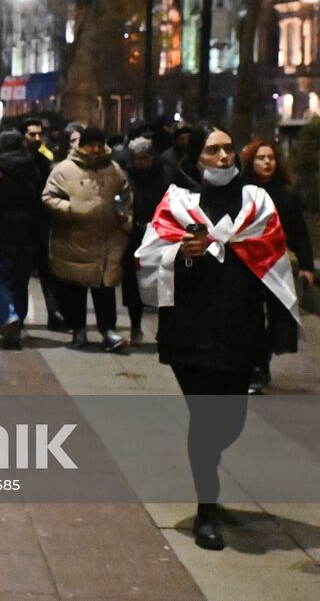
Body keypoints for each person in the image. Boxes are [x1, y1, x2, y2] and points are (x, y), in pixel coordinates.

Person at [135, 128, 301, 550]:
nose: (224, 156)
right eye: (214, 150)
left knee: (231, 421)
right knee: (206, 418)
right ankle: (207, 508)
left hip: (240, 330)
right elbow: (147, 258)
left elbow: (275, 262)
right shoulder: (178, 203)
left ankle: (208, 463)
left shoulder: (257, 204)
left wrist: (280, 329)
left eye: (229, 148)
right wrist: (179, 255)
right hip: (189, 332)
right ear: (198, 159)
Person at [42, 126, 132, 352]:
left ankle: (108, 330)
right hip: (76, 238)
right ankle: (78, 329)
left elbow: (125, 194)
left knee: (105, 287)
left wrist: (123, 215)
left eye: (100, 145)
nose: (96, 149)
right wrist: (70, 208)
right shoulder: (64, 170)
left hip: (107, 238)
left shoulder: (113, 169)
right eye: (92, 144)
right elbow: (49, 196)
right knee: (76, 288)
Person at [241, 138, 315, 393]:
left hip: (276, 263)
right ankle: (256, 367)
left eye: (271, 157)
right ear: (252, 162)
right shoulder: (242, 190)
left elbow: (299, 231)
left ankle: (263, 362)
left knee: (278, 318)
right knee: (250, 317)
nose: (267, 162)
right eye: (261, 158)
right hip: (247, 262)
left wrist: (306, 265)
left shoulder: (287, 194)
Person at [0, 131, 40, 348]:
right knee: (21, 280)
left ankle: (8, 316)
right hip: (28, 232)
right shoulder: (32, 168)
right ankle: (17, 321)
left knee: (0, 279)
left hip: (1, 232)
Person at [122, 136, 170, 345]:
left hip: (159, 234)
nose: (142, 163)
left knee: (162, 282)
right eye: (138, 159)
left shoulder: (164, 175)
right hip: (134, 235)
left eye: (145, 158)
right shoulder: (125, 177)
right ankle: (135, 326)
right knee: (134, 284)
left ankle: (164, 329)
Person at [23, 118, 67, 330]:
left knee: (47, 270)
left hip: (42, 224)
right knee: (21, 273)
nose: (37, 138)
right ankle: (18, 315)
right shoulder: (19, 160)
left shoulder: (44, 159)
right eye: (32, 134)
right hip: (23, 225)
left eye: (39, 134)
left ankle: (54, 312)